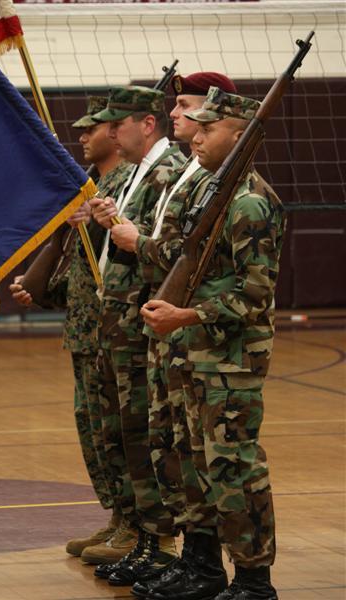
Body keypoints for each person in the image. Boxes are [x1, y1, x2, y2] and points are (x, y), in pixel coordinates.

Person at [140, 86, 285, 600]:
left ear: (241, 134)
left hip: (230, 361)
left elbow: (255, 296)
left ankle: (253, 579)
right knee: (193, 465)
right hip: (191, 353)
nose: (196, 135)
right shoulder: (205, 188)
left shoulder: (249, 202)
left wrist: (188, 313)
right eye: (196, 126)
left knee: (234, 471)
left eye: (209, 127)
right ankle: (204, 570)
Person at [108, 73, 238, 594]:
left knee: (217, 462)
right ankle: (183, 555)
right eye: (178, 105)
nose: (179, 116)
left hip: (204, 341)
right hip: (167, 331)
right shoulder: (189, 174)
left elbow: (185, 254)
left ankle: (220, 568)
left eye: (188, 107)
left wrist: (137, 242)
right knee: (170, 448)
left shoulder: (209, 180)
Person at [9, 96, 134, 560]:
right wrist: (46, 289)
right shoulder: (94, 186)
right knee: (95, 430)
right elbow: (89, 269)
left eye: (92, 129)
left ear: (117, 132)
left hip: (111, 331)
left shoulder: (123, 186)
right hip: (85, 329)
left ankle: (137, 527)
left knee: (119, 430)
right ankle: (119, 517)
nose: (81, 137)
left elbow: (120, 262)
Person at [80, 85, 186, 574]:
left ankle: (157, 539)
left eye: (118, 123)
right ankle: (138, 529)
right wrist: (111, 222)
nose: (110, 132)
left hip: (142, 325)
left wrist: (131, 236)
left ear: (146, 124)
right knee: (124, 431)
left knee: (147, 435)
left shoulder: (167, 172)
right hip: (117, 323)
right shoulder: (137, 173)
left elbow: (170, 251)